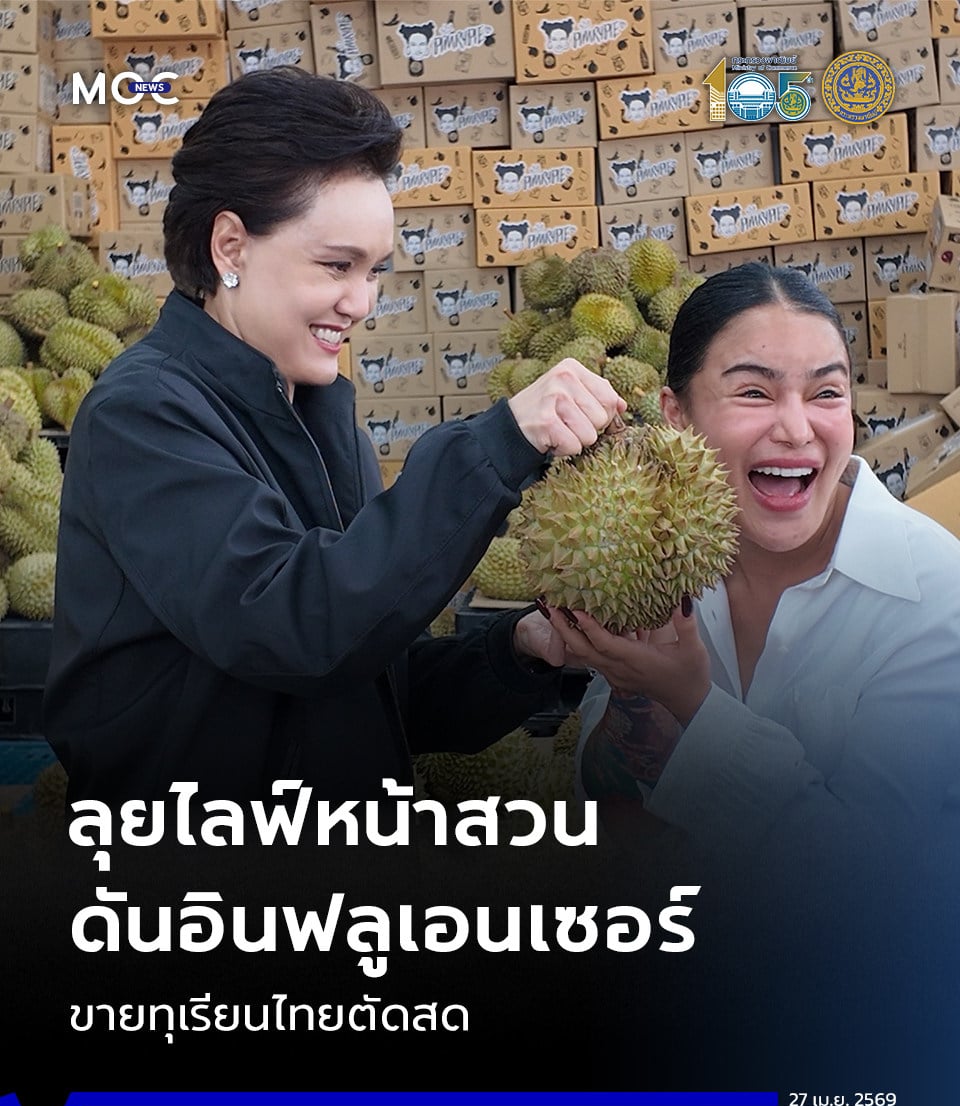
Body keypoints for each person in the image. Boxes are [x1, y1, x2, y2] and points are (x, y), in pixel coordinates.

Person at [42, 68, 624, 810]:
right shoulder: (142, 414)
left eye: (375, 270)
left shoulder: (317, 412)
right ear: (231, 247)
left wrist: (519, 651)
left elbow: (366, 680)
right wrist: (496, 445)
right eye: (335, 265)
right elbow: (293, 630)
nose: (363, 302)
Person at [539, 262, 960, 880]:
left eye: (826, 393)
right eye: (754, 392)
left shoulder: (935, 593)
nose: (795, 429)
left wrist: (688, 699)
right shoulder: (658, 557)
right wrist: (632, 691)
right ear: (675, 415)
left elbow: (874, 874)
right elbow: (606, 800)